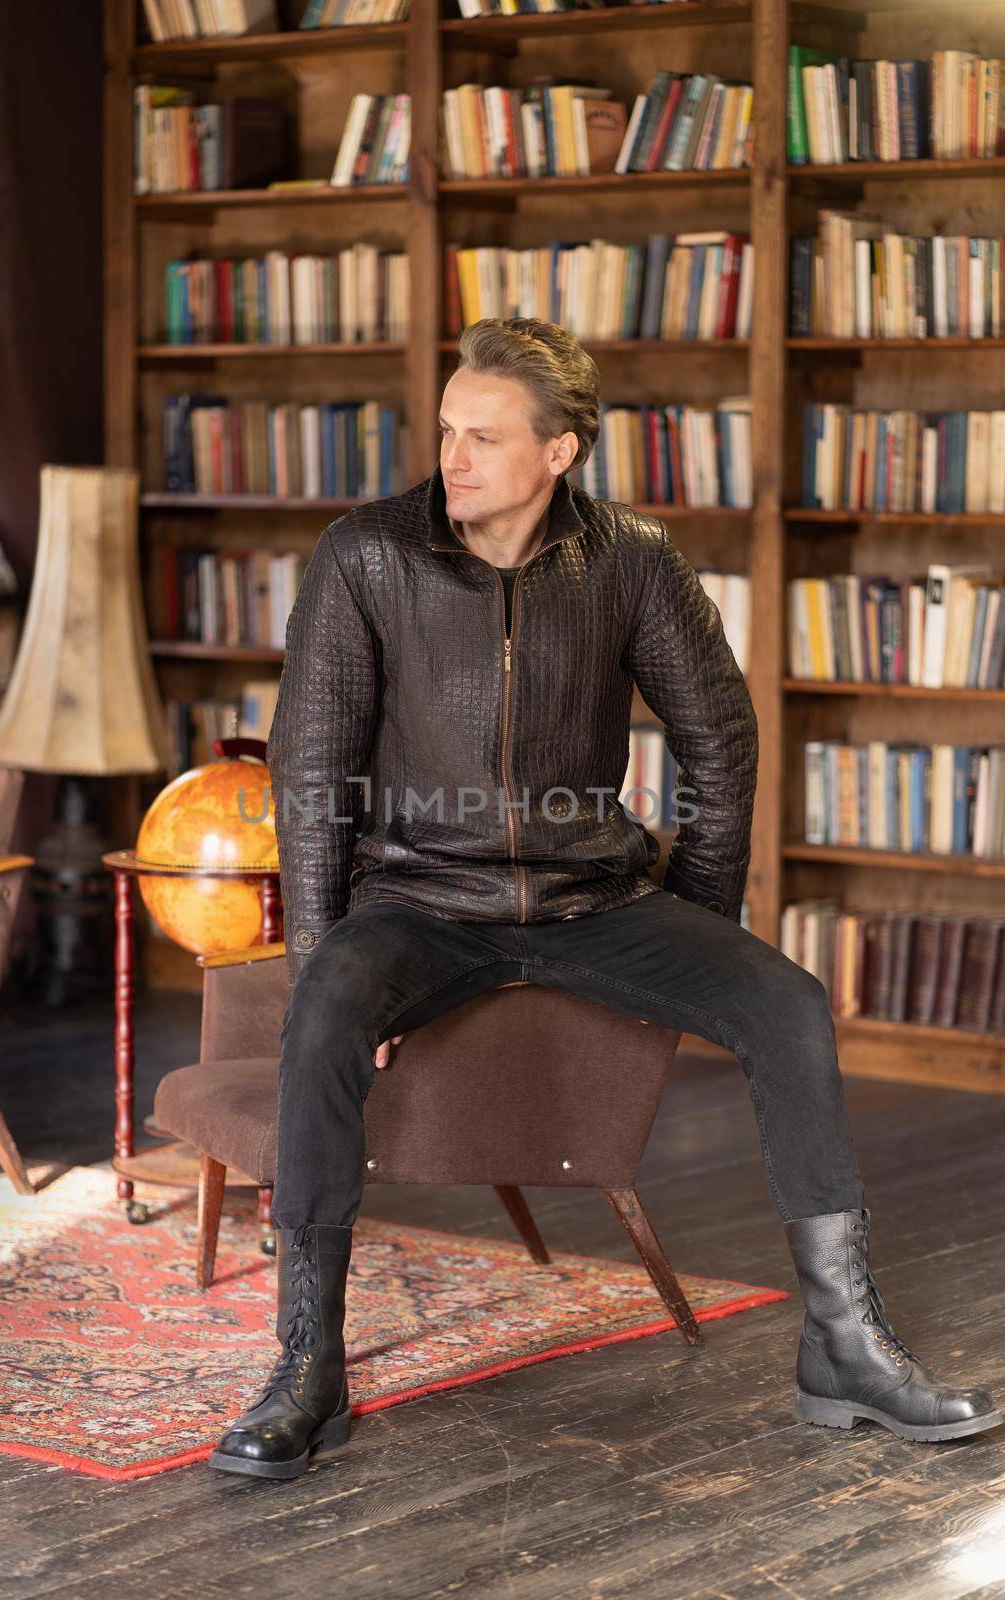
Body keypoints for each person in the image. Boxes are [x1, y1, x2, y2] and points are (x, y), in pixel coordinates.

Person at [209, 318, 1002, 1479]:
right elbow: (313, 767)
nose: (453, 457)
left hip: (596, 897)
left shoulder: (630, 557)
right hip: (419, 898)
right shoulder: (366, 554)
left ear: (561, 452)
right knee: (324, 1004)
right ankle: (305, 1368)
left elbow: (720, 742)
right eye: (445, 429)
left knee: (786, 1004)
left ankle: (844, 1347)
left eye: (483, 436)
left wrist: (701, 924)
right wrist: (327, 946)